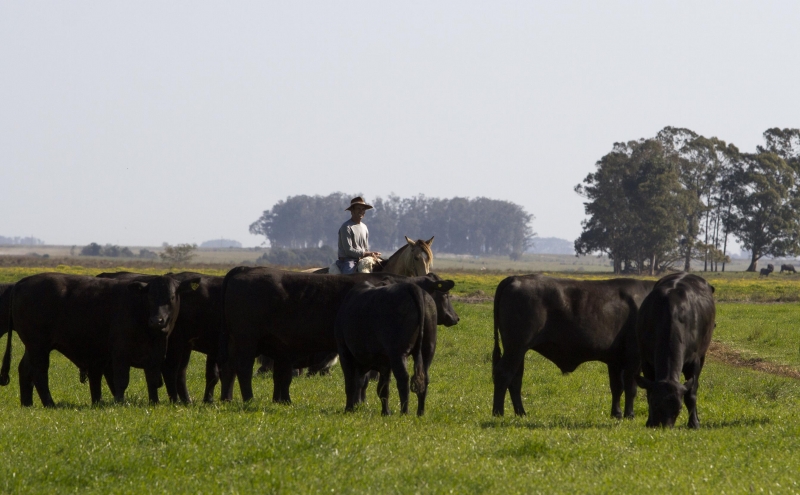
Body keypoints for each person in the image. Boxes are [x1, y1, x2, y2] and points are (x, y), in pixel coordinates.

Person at [335, 197, 381, 274]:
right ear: (352, 211)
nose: (361, 211)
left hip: (362, 259)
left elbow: (365, 248)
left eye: (363, 209)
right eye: (358, 209)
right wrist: (366, 254)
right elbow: (348, 251)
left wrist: (371, 254)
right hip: (348, 260)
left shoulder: (364, 227)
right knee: (349, 276)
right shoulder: (346, 227)